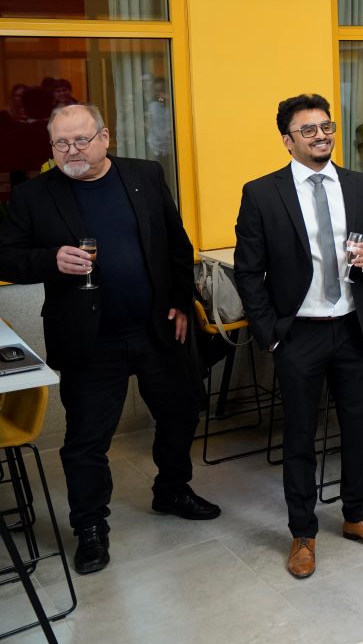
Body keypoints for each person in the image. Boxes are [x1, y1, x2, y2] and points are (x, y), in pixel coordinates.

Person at [0, 103, 219, 575]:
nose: (71, 151)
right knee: (86, 442)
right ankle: (90, 527)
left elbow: (175, 243)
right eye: (61, 143)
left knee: (181, 414)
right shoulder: (34, 195)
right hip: (90, 340)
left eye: (81, 140)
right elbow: (6, 256)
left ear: (105, 137)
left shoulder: (144, 175)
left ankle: (172, 490)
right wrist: (50, 260)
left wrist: (181, 302)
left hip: (157, 328)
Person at [234, 93, 363, 579]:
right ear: (287, 141)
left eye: (326, 127)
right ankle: (302, 533)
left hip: (352, 327)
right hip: (297, 333)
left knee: (358, 427)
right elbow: (248, 272)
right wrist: (270, 334)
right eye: (308, 130)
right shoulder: (262, 193)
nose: (321, 136)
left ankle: (357, 515)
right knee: (301, 435)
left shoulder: (361, 185)